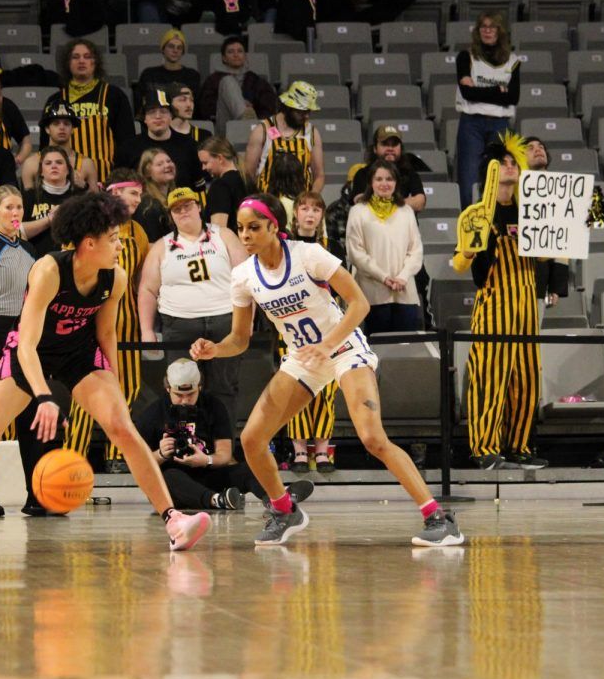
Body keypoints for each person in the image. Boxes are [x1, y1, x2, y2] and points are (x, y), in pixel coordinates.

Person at [0, 192, 213, 554]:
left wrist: (115, 387)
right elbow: (26, 344)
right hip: (33, 352)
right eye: (113, 239)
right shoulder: (47, 268)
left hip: (79, 353)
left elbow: (106, 334)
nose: (120, 245)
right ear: (89, 243)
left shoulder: (115, 277)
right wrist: (44, 396)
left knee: (123, 427)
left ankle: (174, 520)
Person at [191, 194, 463, 547]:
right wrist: (216, 349)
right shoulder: (243, 276)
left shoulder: (309, 255)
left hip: (345, 347)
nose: (245, 235)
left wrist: (328, 343)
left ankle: (439, 518)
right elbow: (240, 339)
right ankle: (285, 510)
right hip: (304, 358)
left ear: (275, 227)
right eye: (241, 229)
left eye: (254, 227)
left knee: (372, 438)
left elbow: (359, 304)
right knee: (253, 439)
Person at [455, 132, 547, 470]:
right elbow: (461, 263)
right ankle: (485, 448)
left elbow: (544, 257)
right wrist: (467, 252)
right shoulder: (478, 213)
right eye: (503, 162)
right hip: (494, 302)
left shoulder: (532, 214)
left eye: (513, 162)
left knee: (526, 377)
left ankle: (518, 446)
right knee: (490, 376)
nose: (510, 167)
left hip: (526, 303)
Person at [0, 184, 54, 516]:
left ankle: (37, 492)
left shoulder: (30, 250)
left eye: (19, 208)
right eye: (9, 208)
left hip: (25, 335)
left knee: (31, 416)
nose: (15, 214)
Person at [63, 169, 150, 468]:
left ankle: (117, 456)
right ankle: (73, 457)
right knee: (87, 394)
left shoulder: (137, 231)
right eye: (134, 193)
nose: (139, 199)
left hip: (126, 322)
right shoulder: (89, 226)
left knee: (127, 389)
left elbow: (141, 278)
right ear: (115, 192)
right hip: (89, 321)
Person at [139, 186, 244, 416]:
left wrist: (247, 321)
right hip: (179, 323)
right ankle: (184, 444)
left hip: (224, 319)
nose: (183, 211)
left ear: (199, 207)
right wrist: (147, 330)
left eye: (187, 205)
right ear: (170, 215)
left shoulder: (223, 235)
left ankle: (222, 447)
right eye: (176, 209)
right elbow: (147, 289)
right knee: (181, 385)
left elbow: (245, 277)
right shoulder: (161, 246)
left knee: (223, 387)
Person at [135, 359, 258, 510]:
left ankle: (277, 498)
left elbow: (224, 454)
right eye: (179, 395)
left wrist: (207, 460)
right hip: (175, 485)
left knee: (252, 466)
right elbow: (138, 464)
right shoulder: (152, 414)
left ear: (200, 387)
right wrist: (161, 454)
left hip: (208, 475)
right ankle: (216, 500)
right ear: (168, 389)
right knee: (168, 476)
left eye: (191, 394)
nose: (185, 400)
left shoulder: (214, 406)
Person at [284, 190, 338, 472]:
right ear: (296, 214)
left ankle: (322, 451)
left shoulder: (330, 246)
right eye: (304, 208)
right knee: (297, 386)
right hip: (294, 325)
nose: (309, 214)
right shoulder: (285, 247)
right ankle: (299, 451)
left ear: (321, 216)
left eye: (316, 210)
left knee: (326, 389)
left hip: (327, 325)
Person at [346, 160, 425, 334]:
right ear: (371, 183)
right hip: (373, 294)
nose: (384, 184)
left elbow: (416, 250)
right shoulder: (358, 211)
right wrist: (384, 277)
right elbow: (355, 252)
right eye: (379, 179)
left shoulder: (406, 211)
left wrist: (403, 277)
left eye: (389, 179)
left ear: (396, 182)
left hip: (404, 292)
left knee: (405, 349)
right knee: (378, 351)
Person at [44, 39, 135, 184]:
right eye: (75, 57)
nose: (81, 61)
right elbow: (46, 146)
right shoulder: (56, 99)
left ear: (96, 62)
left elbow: (127, 142)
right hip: (65, 181)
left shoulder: (114, 95)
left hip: (106, 179)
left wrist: (118, 178)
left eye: (87, 57)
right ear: (68, 63)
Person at [455, 11, 520, 209]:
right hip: (471, 122)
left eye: (492, 27)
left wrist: (480, 90)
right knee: (469, 178)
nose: (487, 31)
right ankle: (469, 222)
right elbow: (467, 93)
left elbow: (512, 97)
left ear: (500, 32)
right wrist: (497, 91)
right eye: (483, 27)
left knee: (498, 176)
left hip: (500, 124)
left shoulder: (513, 61)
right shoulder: (466, 57)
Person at [115, 86, 204, 190]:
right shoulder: (128, 148)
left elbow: (199, 187)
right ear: (145, 118)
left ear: (171, 116)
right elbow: (119, 188)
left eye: (163, 111)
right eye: (152, 112)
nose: (158, 116)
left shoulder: (189, 145)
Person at [245, 79, 325, 194]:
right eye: (301, 112)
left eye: (308, 111)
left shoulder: (312, 133)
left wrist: (310, 198)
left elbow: (319, 175)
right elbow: (249, 173)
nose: (306, 116)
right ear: (288, 108)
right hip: (268, 199)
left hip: (301, 202)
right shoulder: (262, 130)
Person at [521, 136, 569, 311]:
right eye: (530, 148)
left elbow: (562, 244)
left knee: (532, 337)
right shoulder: (512, 189)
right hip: (513, 275)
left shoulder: (560, 192)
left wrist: (555, 286)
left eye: (541, 146)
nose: (538, 149)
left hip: (540, 279)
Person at [197, 35, 277, 132]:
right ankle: (245, 118)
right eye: (230, 52)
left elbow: (268, 106)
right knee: (228, 81)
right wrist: (235, 104)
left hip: (255, 125)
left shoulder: (256, 80)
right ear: (224, 58)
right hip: (225, 126)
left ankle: (247, 120)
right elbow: (206, 108)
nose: (236, 55)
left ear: (245, 56)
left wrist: (253, 109)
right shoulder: (213, 80)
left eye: (240, 51)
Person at [20, 99, 98, 191]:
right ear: (47, 129)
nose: (62, 127)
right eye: (56, 123)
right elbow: (24, 202)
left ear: (72, 129)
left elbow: (96, 201)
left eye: (66, 124)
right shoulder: (31, 164)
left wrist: (84, 186)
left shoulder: (86, 164)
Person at [22, 145, 85, 256]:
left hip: (72, 263)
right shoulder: (27, 196)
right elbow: (15, 228)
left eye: (59, 162)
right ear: (41, 171)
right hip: (35, 264)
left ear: (68, 170)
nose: (54, 166)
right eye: (48, 163)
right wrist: (48, 220)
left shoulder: (80, 199)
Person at [350, 125, 428, 212]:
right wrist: (402, 204)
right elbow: (361, 202)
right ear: (375, 148)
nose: (390, 148)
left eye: (394, 144)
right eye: (385, 144)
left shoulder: (409, 173)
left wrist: (383, 204)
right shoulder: (362, 174)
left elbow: (420, 202)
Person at [137, 29, 202, 101]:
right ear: (163, 49)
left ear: (182, 52)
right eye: (171, 46)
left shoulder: (192, 76)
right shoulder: (149, 74)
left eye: (179, 47)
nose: (175, 50)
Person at [200, 136, 249, 230]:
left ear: (219, 158)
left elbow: (218, 231)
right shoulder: (247, 179)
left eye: (205, 163)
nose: (203, 168)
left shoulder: (220, 186)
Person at [136, 146, 175, 242]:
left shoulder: (175, 195)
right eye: (159, 164)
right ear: (147, 172)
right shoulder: (148, 206)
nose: (167, 165)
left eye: (169, 161)